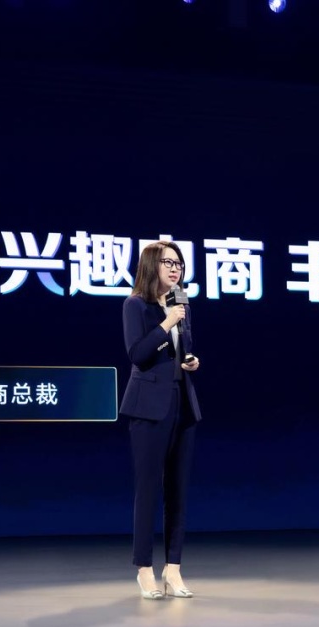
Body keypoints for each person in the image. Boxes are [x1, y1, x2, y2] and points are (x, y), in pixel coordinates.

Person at [120, 241, 202, 600]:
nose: (175, 269)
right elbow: (137, 354)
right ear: (152, 265)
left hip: (182, 402)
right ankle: (144, 569)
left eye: (179, 264)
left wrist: (191, 361)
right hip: (148, 407)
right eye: (168, 262)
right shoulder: (135, 305)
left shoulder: (181, 302)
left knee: (178, 490)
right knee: (149, 489)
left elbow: (183, 349)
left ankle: (174, 568)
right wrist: (167, 322)